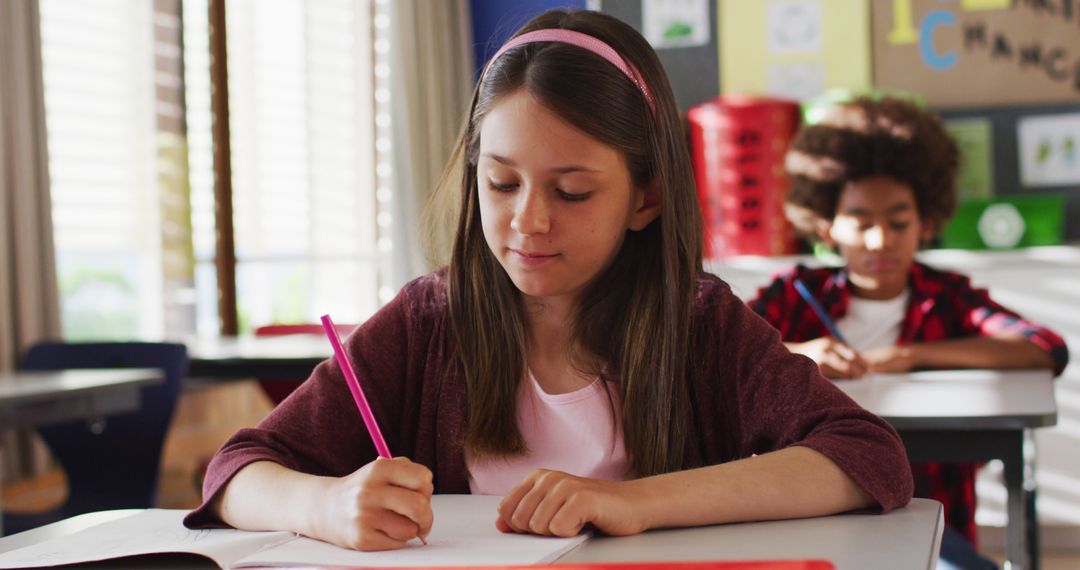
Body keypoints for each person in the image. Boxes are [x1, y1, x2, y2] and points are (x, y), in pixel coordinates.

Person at [184, 10, 913, 552]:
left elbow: (866, 457)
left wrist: (634, 502)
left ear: (646, 198)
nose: (527, 223)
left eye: (571, 193)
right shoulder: (430, 321)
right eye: (501, 184)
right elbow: (236, 471)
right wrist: (330, 506)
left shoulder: (698, 323)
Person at [748, 96, 1069, 569]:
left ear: (927, 223)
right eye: (860, 221)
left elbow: (1043, 348)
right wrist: (799, 353)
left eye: (898, 222)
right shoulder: (796, 294)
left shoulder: (946, 297)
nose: (880, 241)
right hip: (811, 515)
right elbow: (715, 354)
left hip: (928, 518)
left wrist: (914, 355)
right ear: (828, 225)